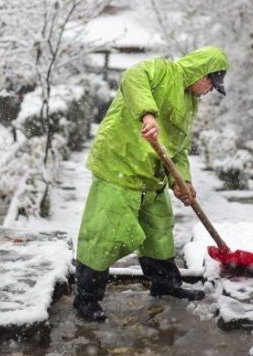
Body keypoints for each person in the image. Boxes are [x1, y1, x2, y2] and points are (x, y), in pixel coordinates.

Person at [73, 45, 229, 321]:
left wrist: (183, 181)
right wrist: (147, 113)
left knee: (159, 231)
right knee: (105, 234)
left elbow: (178, 149)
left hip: (151, 175)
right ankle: (86, 298)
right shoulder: (162, 71)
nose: (209, 91)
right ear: (202, 74)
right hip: (119, 165)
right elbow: (132, 77)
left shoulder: (189, 103)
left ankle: (166, 285)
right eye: (210, 84)